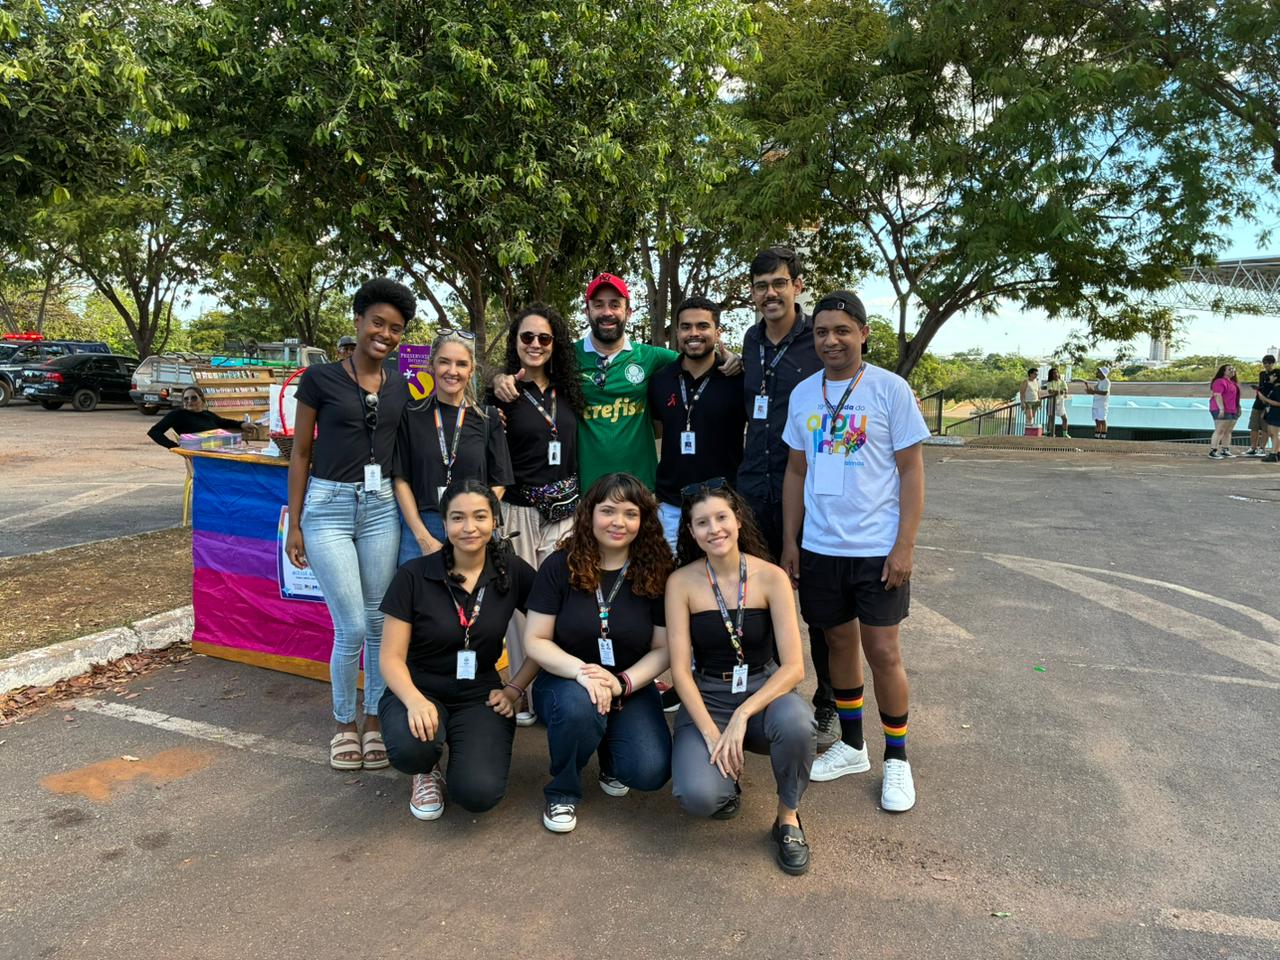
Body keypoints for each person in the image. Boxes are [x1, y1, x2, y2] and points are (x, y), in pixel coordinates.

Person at [780, 290, 929, 813]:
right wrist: (791, 542)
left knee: (883, 652)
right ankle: (852, 745)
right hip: (821, 547)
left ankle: (897, 758)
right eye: (822, 332)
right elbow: (795, 471)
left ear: (863, 333)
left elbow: (911, 472)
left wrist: (904, 546)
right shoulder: (804, 394)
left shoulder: (889, 389)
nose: (831, 341)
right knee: (837, 644)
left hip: (876, 549)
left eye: (842, 330)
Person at [286, 277, 414, 770]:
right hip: (328, 508)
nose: (385, 334)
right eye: (378, 323)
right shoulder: (319, 379)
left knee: (380, 622)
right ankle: (344, 722)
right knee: (353, 624)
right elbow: (300, 453)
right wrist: (296, 524)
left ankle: (375, 717)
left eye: (396, 329)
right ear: (358, 321)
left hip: (381, 507)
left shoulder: (400, 385)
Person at [666, 480, 816, 875]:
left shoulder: (771, 577)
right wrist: (712, 734)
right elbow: (680, 671)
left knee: (797, 723)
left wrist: (742, 714)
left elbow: (794, 667)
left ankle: (788, 818)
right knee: (698, 796)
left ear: (738, 520)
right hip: (708, 696)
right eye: (702, 522)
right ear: (691, 531)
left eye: (721, 517)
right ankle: (724, 785)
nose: (714, 529)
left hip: (764, 692)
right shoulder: (680, 583)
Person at [378, 480, 540, 820]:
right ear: (444, 522)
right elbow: (390, 657)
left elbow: (546, 635)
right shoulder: (414, 575)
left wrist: (514, 688)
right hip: (420, 685)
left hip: (480, 691)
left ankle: (463, 749)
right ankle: (426, 769)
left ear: (494, 520)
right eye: (457, 518)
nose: (469, 527)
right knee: (412, 748)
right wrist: (414, 700)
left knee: (478, 793)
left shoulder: (512, 570)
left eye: (480, 516)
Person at [522, 472, 675, 833]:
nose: (618, 522)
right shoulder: (560, 565)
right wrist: (582, 673)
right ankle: (563, 789)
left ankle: (609, 753)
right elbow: (536, 639)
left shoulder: (657, 570)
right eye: (608, 511)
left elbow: (663, 648)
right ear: (589, 513)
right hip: (565, 681)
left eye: (630, 513)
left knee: (649, 771)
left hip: (629, 683)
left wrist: (621, 683)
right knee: (579, 706)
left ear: (643, 520)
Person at [490, 273, 740, 491]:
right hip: (587, 492)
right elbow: (530, 363)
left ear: (628, 312)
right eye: (598, 305)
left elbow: (697, 358)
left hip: (641, 489)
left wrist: (732, 358)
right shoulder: (566, 356)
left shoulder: (652, 357)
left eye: (615, 304)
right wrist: (498, 378)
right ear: (587, 311)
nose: (607, 312)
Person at [738, 245, 840, 750]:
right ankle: (773, 697)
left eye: (779, 283)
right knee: (757, 603)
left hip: (807, 492)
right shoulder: (750, 341)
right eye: (761, 286)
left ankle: (829, 704)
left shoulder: (817, 338)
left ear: (798, 285)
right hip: (754, 493)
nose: (770, 293)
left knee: (819, 610)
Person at [490, 304, 586, 726]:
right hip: (519, 512)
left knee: (564, 601)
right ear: (515, 342)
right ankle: (522, 692)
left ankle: (558, 687)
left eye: (544, 338)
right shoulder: (502, 393)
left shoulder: (570, 390)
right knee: (520, 607)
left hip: (567, 513)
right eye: (526, 337)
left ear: (555, 344)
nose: (535, 344)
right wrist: (495, 384)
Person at [393, 330, 513, 565]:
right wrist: (423, 537)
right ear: (431, 366)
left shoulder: (488, 418)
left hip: (471, 529)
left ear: (471, 371)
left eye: (461, 364)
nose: (452, 371)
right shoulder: (411, 414)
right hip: (422, 526)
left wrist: (477, 520)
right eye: (444, 362)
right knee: (418, 589)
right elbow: (400, 479)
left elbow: (499, 481)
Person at [648, 296, 746, 553]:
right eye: (686, 326)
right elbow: (657, 427)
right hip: (672, 506)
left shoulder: (737, 379)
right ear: (677, 332)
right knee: (669, 575)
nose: (694, 333)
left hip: (723, 505)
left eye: (703, 326)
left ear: (718, 332)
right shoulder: (660, 380)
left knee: (721, 575)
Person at [146, 386, 245, 448]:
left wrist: (242, 424)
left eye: (193, 398)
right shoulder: (178, 415)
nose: (189, 401)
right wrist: (174, 446)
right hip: (199, 457)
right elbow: (154, 432)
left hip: (218, 451)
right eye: (186, 399)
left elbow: (224, 422)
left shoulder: (208, 414)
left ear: (201, 399)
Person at [1208, 363, 1242, 459]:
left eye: (1233, 369)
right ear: (1224, 371)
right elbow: (1217, 395)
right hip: (1220, 409)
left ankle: (1225, 450)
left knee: (1228, 430)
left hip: (1232, 409)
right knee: (1220, 430)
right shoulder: (1219, 381)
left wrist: (1238, 408)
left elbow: (1235, 397)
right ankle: (1213, 451)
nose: (1232, 371)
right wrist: (1221, 409)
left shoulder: (1233, 383)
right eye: (1229, 369)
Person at [1246, 355, 1278, 457]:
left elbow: (1273, 388)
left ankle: (1262, 448)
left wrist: (1268, 384)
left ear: (1273, 363)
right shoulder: (1262, 374)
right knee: (1254, 426)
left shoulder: (1277, 373)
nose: (1266, 365)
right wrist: (1259, 388)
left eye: (1269, 363)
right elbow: (1263, 387)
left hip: (1269, 403)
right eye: (1264, 363)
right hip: (1258, 402)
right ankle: (1253, 447)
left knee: (1265, 428)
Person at [1084, 366, 1111, 439]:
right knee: (1097, 421)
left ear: (1103, 373)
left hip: (1102, 405)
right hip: (1096, 404)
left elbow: (1105, 392)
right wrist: (1090, 391)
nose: (1097, 373)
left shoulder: (1106, 382)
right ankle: (1097, 436)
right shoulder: (1099, 381)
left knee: (1102, 420)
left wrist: (1093, 391)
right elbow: (1095, 392)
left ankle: (1103, 436)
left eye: (1099, 372)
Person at [1042, 367, 1069, 438]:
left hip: (1060, 402)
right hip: (1052, 401)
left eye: (1056, 372)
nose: (1056, 374)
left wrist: (1058, 392)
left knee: (1065, 418)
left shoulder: (1062, 382)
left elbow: (1065, 390)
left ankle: (1065, 434)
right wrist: (1060, 391)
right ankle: (1050, 433)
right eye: (1053, 373)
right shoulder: (1049, 383)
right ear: (1051, 375)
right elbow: (1050, 391)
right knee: (1051, 418)